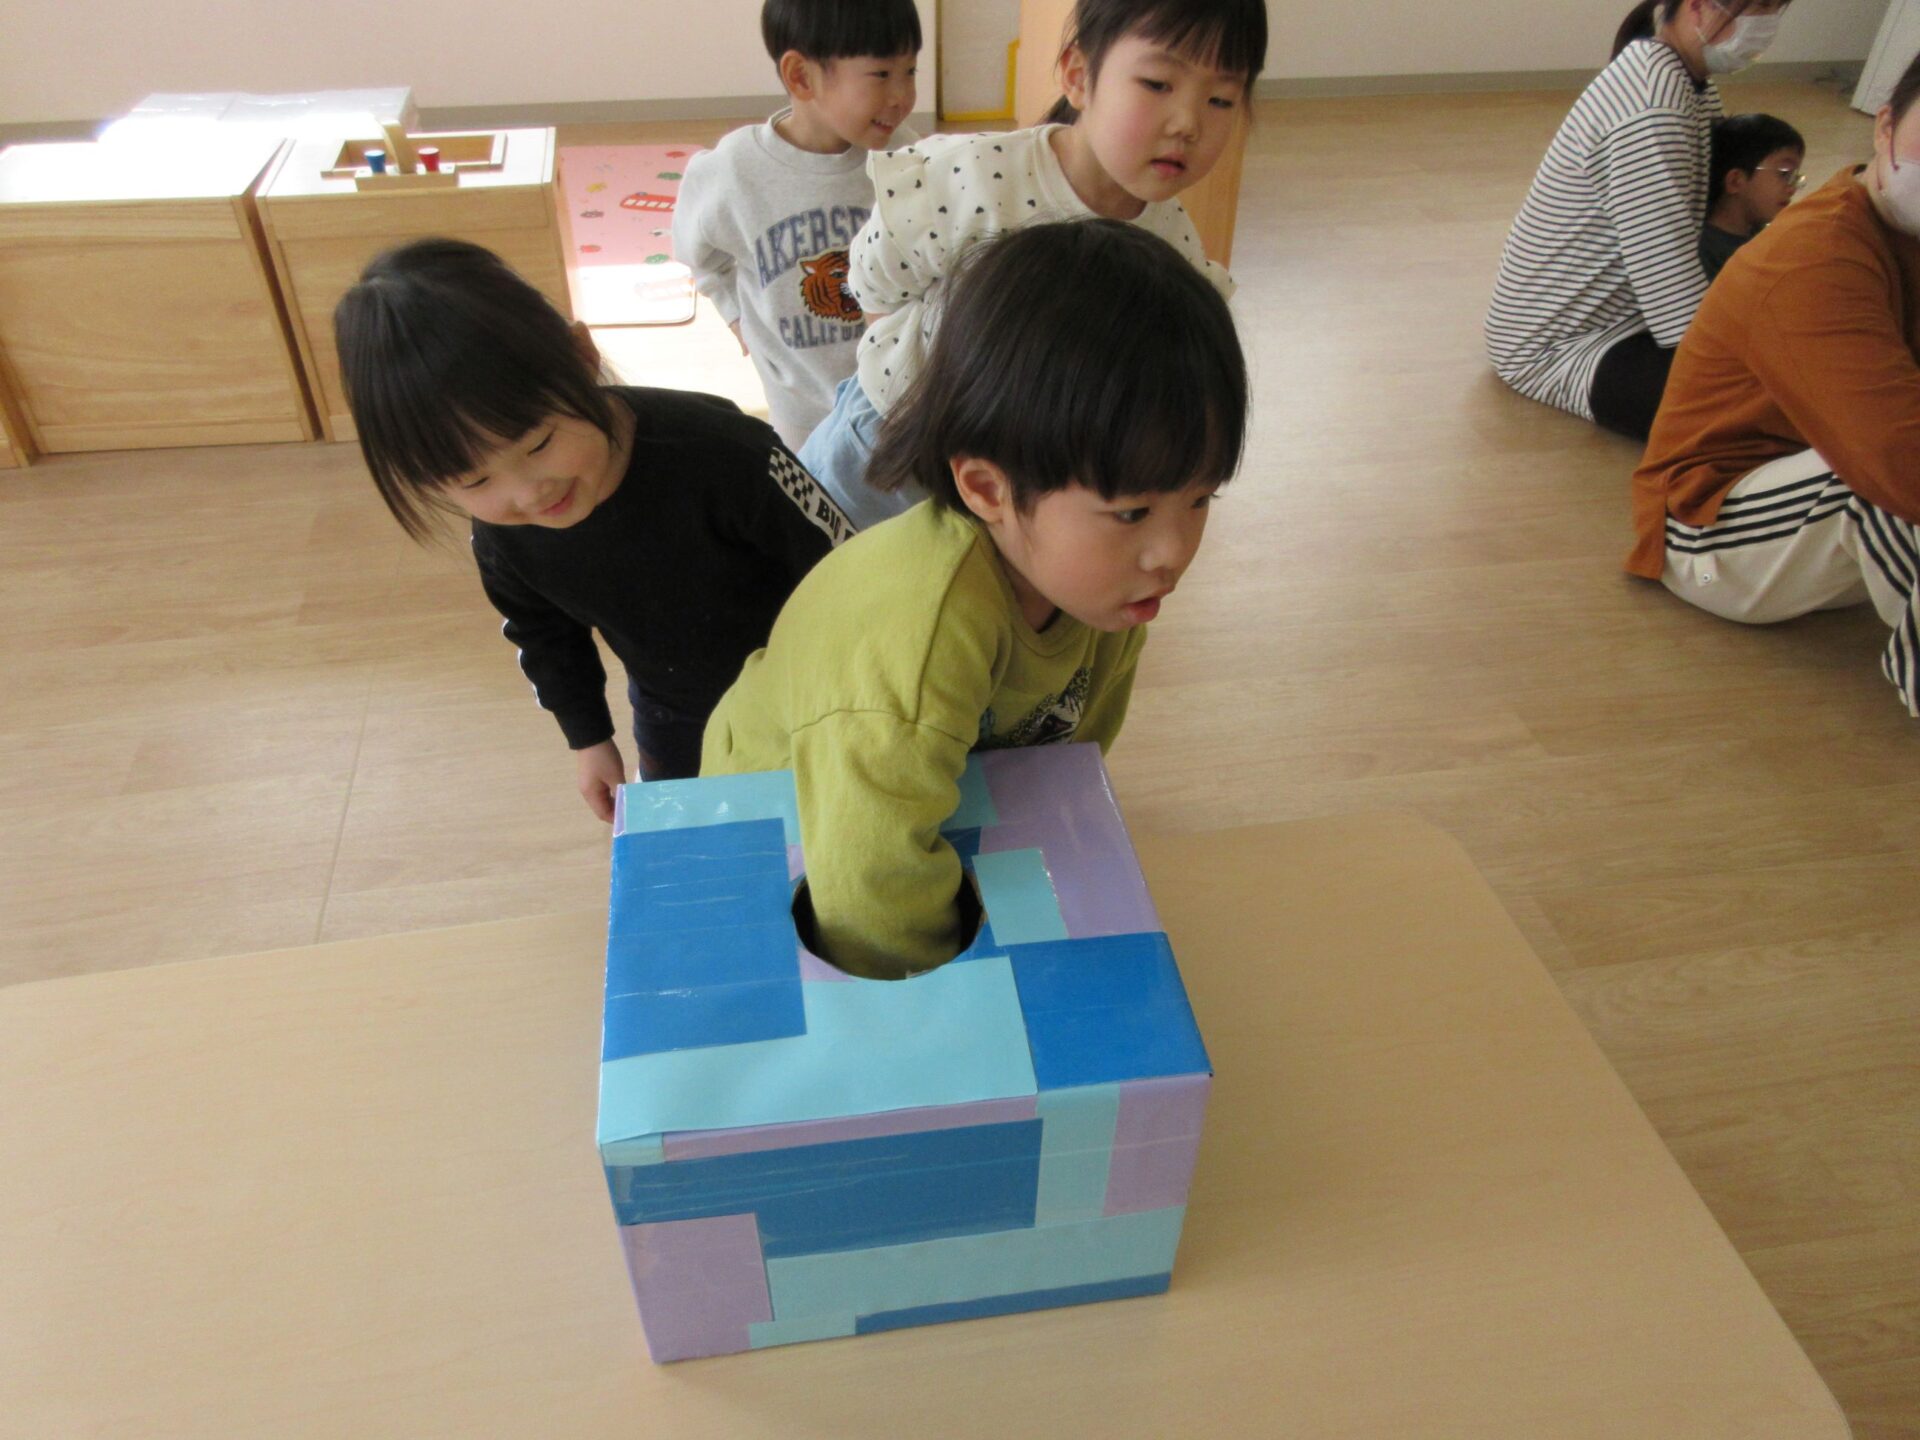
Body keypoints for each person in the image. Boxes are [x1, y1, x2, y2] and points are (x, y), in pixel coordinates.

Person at [704, 221, 1247, 978]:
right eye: (1132, 512)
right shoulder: (921, 634)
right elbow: (867, 894)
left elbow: (1067, 769)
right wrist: (957, 991)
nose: (1174, 552)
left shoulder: (1107, 585)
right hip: (776, 805)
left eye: (1200, 499)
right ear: (988, 488)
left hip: (918, 779)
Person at [333, 238, 849, 814]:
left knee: (836, 817)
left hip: (822, 685)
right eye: (474, 481)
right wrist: (588, 738)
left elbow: (844, 566)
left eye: (539, 445)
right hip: (676, 712)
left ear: (582, 356)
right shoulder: (504, 536)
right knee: (697, 840)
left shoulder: (725, 453)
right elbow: (543, 633)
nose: (528, 493)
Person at [796, 0, 1266, 530]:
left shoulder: (1172, 250)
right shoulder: (973, 175)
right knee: (809, 555)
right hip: (888, 446)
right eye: (1158, 84)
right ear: (1079, 76)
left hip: (1011, 487)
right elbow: (874, 280)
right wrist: (916, 389)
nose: (1189, 124)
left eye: (1221, 99)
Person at [1628, 51, 1920, 719]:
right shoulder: (1813, 259)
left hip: (1816, 484)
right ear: (1884, 127)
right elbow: (1898, 460)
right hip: (1713, 526)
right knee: (1879, 479)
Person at [1485, 0, 1791, 441]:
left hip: (1624, 315)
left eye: (1775, 9)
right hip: (1563, 348)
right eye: (1758, 7)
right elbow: (1670, 288)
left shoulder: (1682, 78)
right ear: (1698, 7)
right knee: (1778, 398)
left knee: (1793, 358)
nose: (1765, 24)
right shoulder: (1653, 107)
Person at [671, 0, 922, 450]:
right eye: (882, 74)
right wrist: (736, 318)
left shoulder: (908, 158)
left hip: (895, 398)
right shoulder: (733, 172)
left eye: (910, 71)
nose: (902, 96)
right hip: (800, 410)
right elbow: (699, 256)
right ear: (801, 77)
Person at [1701, 112, 1805, 278]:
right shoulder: (1706, 255)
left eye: (1794, 178)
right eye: (1784, 174)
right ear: (1735, 181)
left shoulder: (1760, 235)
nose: (1792, 189)